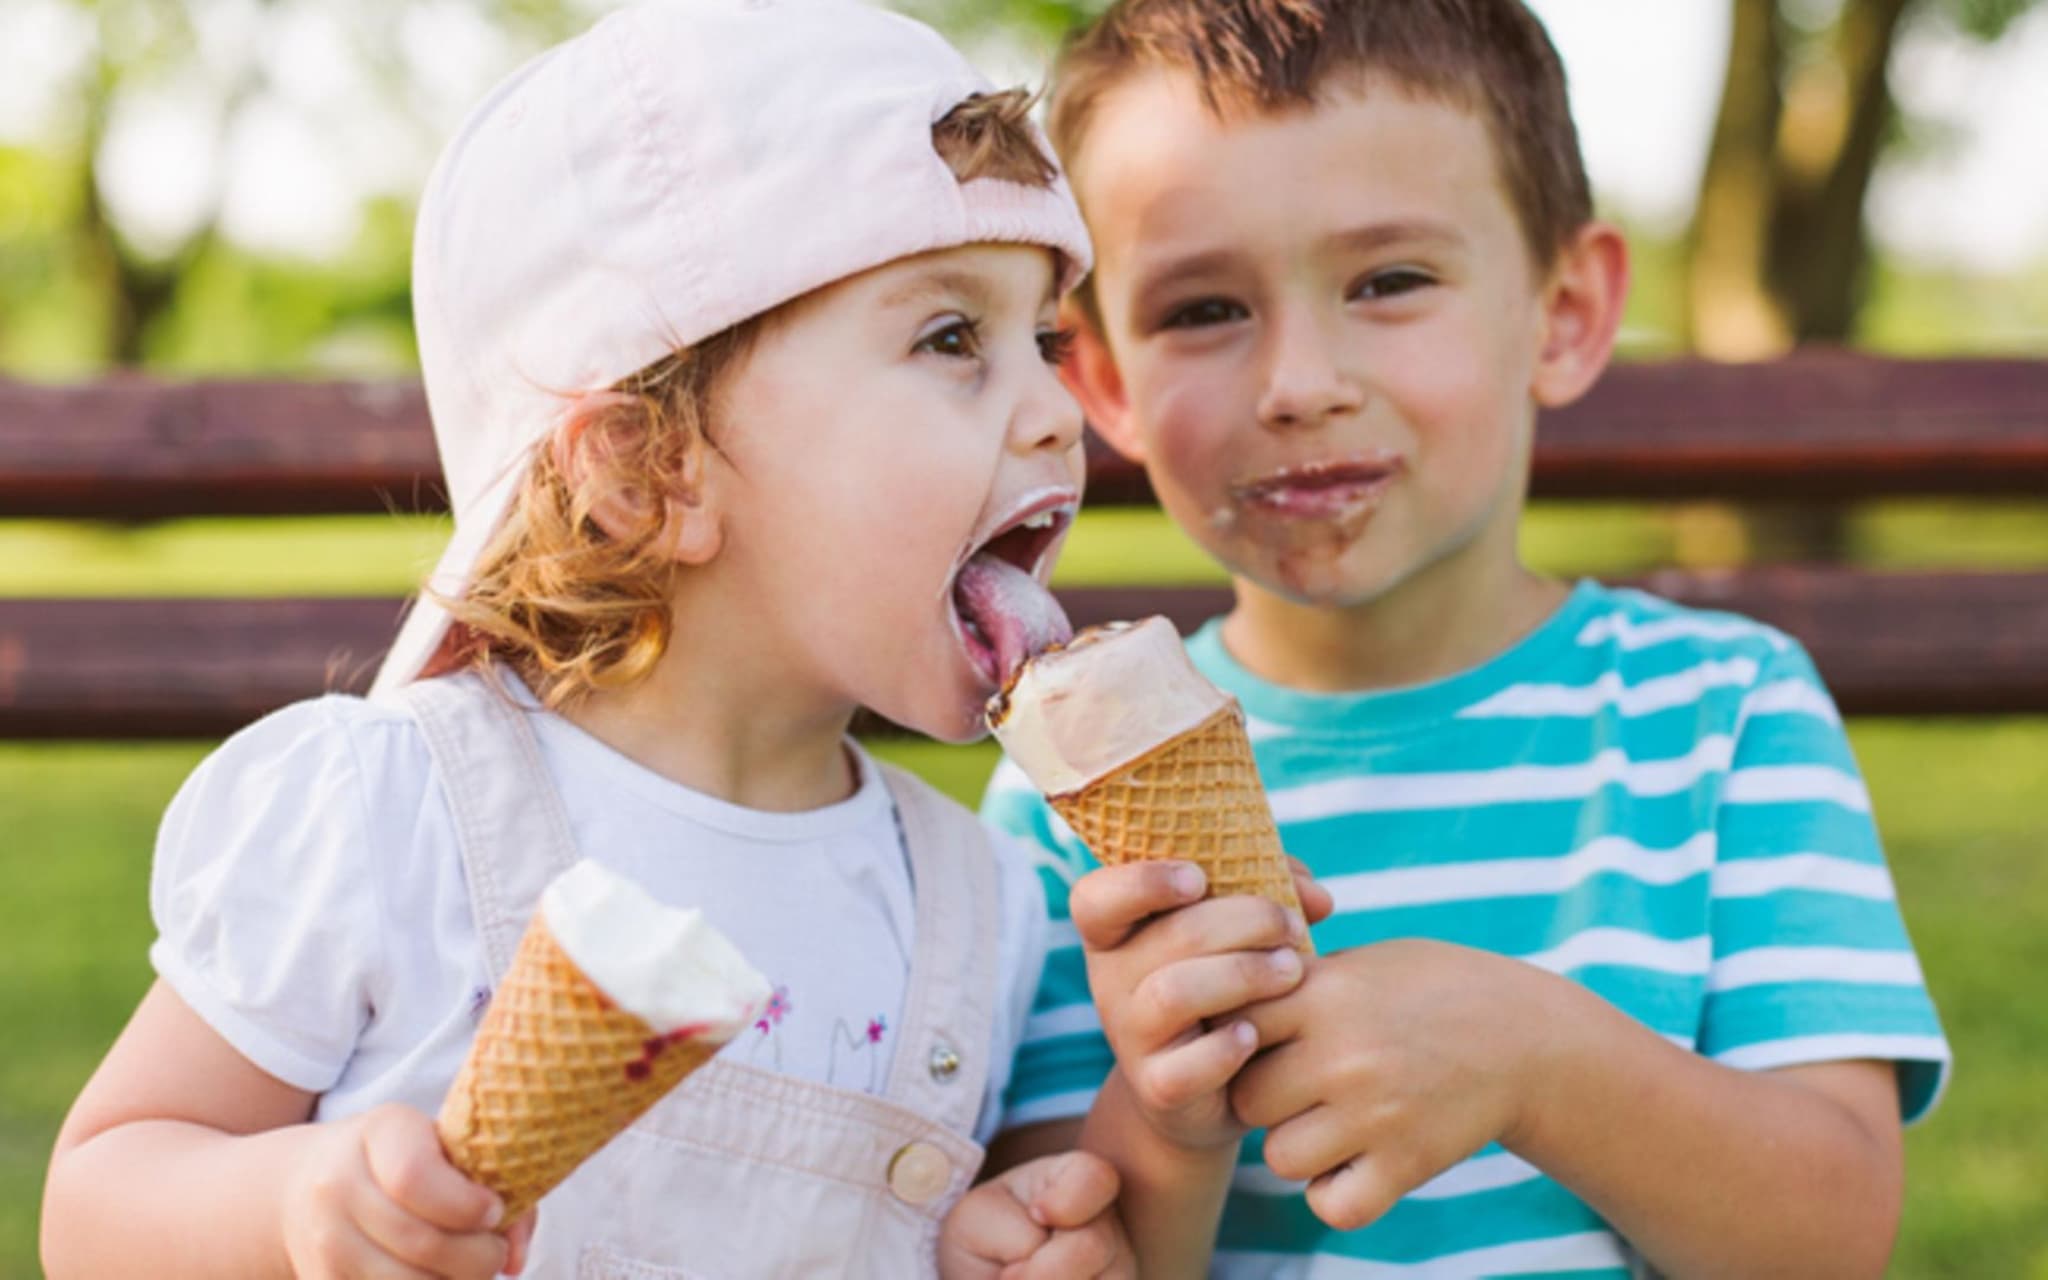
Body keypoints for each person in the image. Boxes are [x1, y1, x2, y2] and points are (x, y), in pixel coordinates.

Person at [41, 2, 1173, 1274]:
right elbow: (96, 1203)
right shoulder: (391, 817)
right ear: (651, 473)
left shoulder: (974, 901)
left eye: (1047, 340)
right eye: (950, 338)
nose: (1053, 413)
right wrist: (299, 1197)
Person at [982, 1, 1952, 1274]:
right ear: (1103, 381)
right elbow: (1058, 1243)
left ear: (1559, 310)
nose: (1297, 382)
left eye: (1388, 281)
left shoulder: (1721, 716)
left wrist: (1536, 1060)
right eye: (1202, 309)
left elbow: (1827, 1237)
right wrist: (1168, 1118)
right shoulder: (1066, 801)